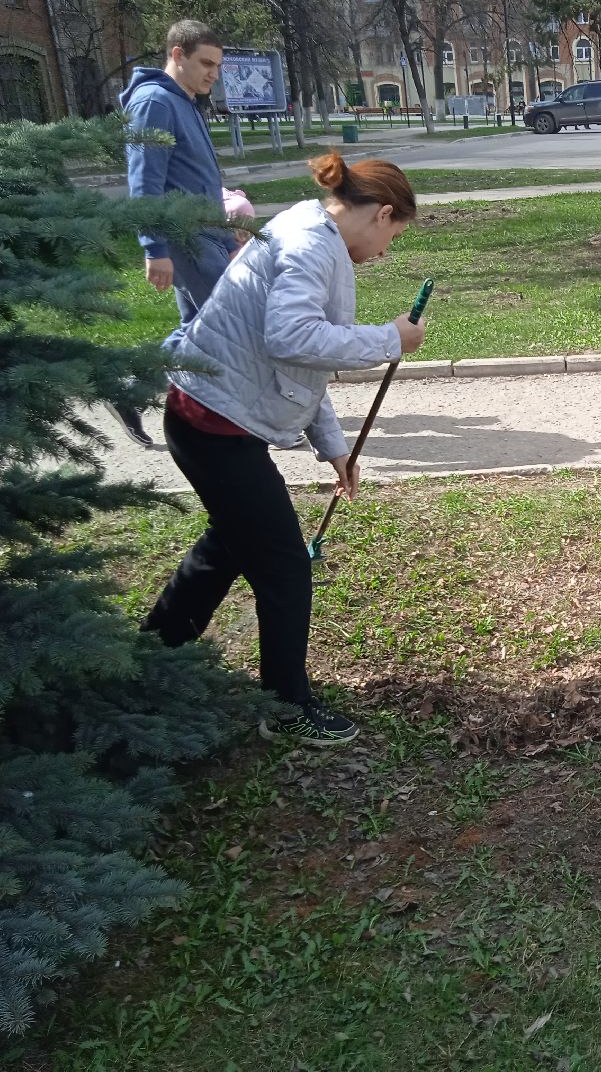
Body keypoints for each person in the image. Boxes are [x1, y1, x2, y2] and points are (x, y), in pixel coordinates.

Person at [142, 154, 427, 747]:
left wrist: (332, 447)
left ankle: (150, 657)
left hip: (210, 416)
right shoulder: (310, 246)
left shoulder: (307, 230)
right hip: (212, 422)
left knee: (230, 544)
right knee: (284, 566)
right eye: (392, 237)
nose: (385, 253)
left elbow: (297, 362)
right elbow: (292, 337)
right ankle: (286, 706)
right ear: (380, 213)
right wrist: (387, 339)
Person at [116, 19, 237, 447]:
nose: (213, 74)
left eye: (217, 66)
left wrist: (226, 235)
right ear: (177, 55)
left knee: (196, 327)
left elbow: (197, 179)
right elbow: (145, 184)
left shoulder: (183, 101)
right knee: (237, 321)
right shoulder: (155, 103)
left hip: (206, 236)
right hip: (184, 239)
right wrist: (155, 248)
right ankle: (260, 415)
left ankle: (128, 386)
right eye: (206, 63)